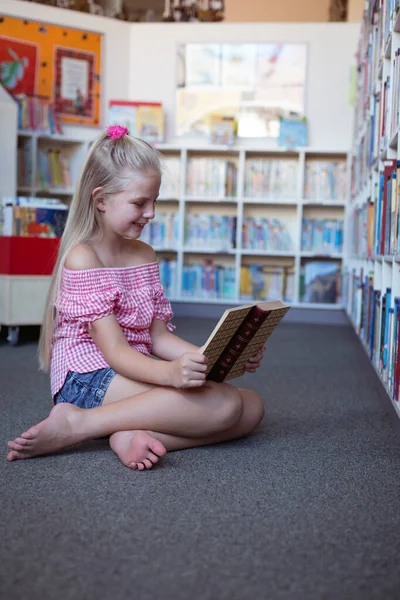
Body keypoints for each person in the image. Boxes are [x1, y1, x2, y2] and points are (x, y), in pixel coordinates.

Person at [7, 125, 265, 471]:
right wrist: (171, 375)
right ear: (100, 200)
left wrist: (218, 359)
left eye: (154, 201)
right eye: (139, 203)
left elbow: (158, 337)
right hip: (88, 377)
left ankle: (126, 432)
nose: (151, 213)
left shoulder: (144, 255)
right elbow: (115, 352)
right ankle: (80, 423)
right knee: (224, 406)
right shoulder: (83, 258)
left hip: (134, 367)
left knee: (250, 407)